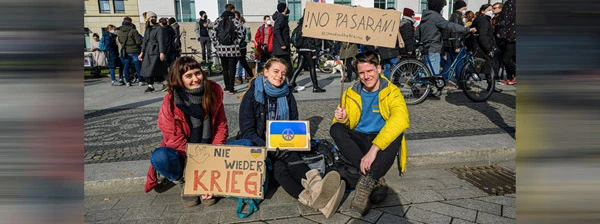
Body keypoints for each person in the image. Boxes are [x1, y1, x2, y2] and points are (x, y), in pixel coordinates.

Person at [238, 58, 345, 218]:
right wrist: (268, 147)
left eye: (283, 73)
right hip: (258, 146)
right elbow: (247, 130)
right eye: (275, 71)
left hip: (282, 142)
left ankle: (317, 191)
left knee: (290, 158)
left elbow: (293, 123)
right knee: (279, 167)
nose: (279, 76)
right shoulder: (252, 95)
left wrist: (294, 141)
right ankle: (317, 200)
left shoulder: (287, 94)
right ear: (266, 72)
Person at [329, 51, 409, 215]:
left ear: (379, 69)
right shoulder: (351, 92)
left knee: (396, 132)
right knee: (335, 128)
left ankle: (367, 179)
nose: (366, 76)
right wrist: (343, 119)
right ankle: (373, 179)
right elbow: (341, 123)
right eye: (362, 73)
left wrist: (374, 149)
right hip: (358, 142)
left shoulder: (392, 91)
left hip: (379, 143)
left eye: (370, 71)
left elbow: (401, 119)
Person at [143, 56, 228, 208]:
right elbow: (173, 138)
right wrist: (195, 173)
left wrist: (213, 157)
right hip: (184, 155)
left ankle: (207, 182)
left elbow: (221, 127)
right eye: (188, 76)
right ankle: (184, 181)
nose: (195, 79)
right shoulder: (170, 101)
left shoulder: (213, 92)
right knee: (160, 157)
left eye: (197, 73)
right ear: (179, 79)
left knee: (247, 144)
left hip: (209, 151)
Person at [416, 0, 475, 76]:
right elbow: (449, 25)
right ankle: (427, 85)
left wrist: (423, 39)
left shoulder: (425, 17)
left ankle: (421, 84)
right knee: (433, 72)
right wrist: (466, 29)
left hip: (424, 46)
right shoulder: (436, 16)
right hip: (434, 46)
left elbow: (417, 33)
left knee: (426, 68)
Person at [210, 4, 244, 94]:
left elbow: (213, 34)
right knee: (232, 68)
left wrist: (217, 45)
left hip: (221, 49)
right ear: (232, 10)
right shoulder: (235, 20)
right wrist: (236, 42)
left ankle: (226, 86)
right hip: (233, 49)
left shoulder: (218, 20)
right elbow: (241, 34)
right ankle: (231, 88)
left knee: (225, 68)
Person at [289, 16, 326, 93]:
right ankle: (315, 87)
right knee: (312, 68)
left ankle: (291, 84)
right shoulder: (308, 28)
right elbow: (311, 41)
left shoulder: (298, 28)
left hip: (300, 50)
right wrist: (313, 52)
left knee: (299, 68)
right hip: (308, 50)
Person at [139, 11, 168, 93]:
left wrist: (161, 52)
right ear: (148, 19)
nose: (153, 19)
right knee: (147, 69)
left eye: (154, 17)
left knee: (155, 69)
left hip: (155, 51)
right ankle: (150, 85)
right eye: (152, 17)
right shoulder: (147, 29)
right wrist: (142, 53)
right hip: (148, 52)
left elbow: (160, 41)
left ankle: (165, 83)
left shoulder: (159, 28)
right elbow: (144, 41)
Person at [442, 0, 468, 80]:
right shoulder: (457, 16)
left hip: (450, 43)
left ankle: (444, 79)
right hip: (455, 43)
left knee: (449, 63)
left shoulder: (453, 15)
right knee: (460, 63)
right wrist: (456, 45)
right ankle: (461, 81)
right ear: (462, 7)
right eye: (464, 7)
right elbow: (455, 31)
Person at [118, 16, 143, 86]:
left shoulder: (120, 31)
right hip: (134, 50)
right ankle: (140, 80)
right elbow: (138, 42)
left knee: (126, 66)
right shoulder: (133, 31)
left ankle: (127, 81)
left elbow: (119, 41)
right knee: (137, 65)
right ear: (130, 22)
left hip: (126, 51)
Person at [378, 7, 402, 80]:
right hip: (391, 51)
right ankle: (395, 80)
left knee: (388, 67)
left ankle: (385, 82)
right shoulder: (392, 24)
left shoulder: (382, 24)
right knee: (399, 66)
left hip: (383, 51)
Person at [272, 3, 293, 80]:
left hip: (280, 49)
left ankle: (285, 83)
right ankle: (292, 84)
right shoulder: (281, 18)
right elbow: (276, 30)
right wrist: (282, 44)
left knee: (281, 67)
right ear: (284, 9)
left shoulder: (280, 18)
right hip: (282, 50)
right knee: (288, 67)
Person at [234, 14, 254, 84]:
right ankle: (237, 76)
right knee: (238, 63)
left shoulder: (243, 27)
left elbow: (245, 38)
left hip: (241, 47)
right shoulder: (233, 26)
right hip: (236, 48)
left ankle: (243, 76)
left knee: (242, 63)